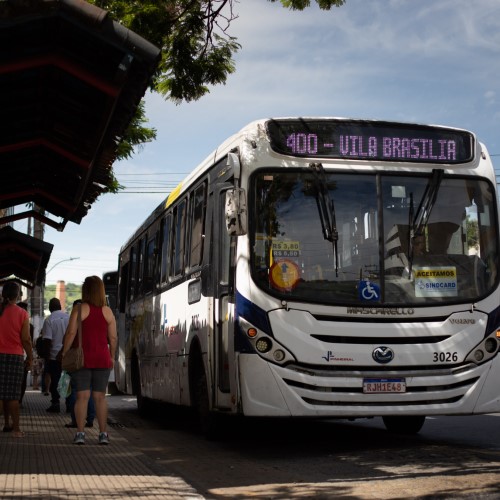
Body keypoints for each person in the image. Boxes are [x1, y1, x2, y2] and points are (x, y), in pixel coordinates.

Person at [61, 276, 117, 445]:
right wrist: (112, 356)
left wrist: (64, 352)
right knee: (100, 397)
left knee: (82, 396)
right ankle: (103, 435)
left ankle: (80, 434)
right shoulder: (108, 311)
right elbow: (113, 338)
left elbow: (71, 333)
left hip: (82, 359)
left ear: (85, 290)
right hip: (102, 358)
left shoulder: (79, 309)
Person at [0, 281, 33, 438]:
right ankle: (16, 429)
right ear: (18, 295)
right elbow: (26, 339)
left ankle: (6, 424)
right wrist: (31, 357)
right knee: (12, 396)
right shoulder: (22, 313)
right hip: (14, 357)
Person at [63, 300, 96, 429]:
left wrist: (64, 353)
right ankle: (90, 419)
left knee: (75, 391)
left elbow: (68, 337)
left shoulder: (74, 323)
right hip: (92, 359)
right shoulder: (92, 322)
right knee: (90, 391)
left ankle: (76, 421)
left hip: (77, 361)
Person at [41, 298, 69, 413]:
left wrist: (46, 357)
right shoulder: (69, 318)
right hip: (67, 355)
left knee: (55, 380)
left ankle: (56, 404)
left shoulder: (49, 320)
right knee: (67, 379)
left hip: (54, 356)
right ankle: (69, 404)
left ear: (50, 308)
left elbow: (47, 341)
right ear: (60, 306)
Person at [17, 302, 34, 405]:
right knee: (22, 380)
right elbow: (28, 341)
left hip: (14, 354)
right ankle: (19, 401)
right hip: (22, 355)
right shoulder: (29, 325)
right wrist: (30, 356)